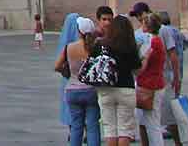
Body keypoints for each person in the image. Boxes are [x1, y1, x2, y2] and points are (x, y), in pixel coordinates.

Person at [88, 15, 142, 146]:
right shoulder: (130, 46)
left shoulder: (100, 45)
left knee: (109, 129)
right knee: (125, 129)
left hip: (105, 88)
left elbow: (92, 63)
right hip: (126, 88)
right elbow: (137, 70)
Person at [54, 14, 101, 146]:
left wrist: (67, 73)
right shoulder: (95, 47)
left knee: (76, 126)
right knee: (92, 126)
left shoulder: (69, 47)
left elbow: (57, 66)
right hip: (91, 90)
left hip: (72, 89)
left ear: (79, 31)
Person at [134, 11, 168, 146]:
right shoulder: (157, 41)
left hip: (149, 85)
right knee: (151, 121)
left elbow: (141, 66)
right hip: (155, 83)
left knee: (152, 124)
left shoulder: (151, 43)